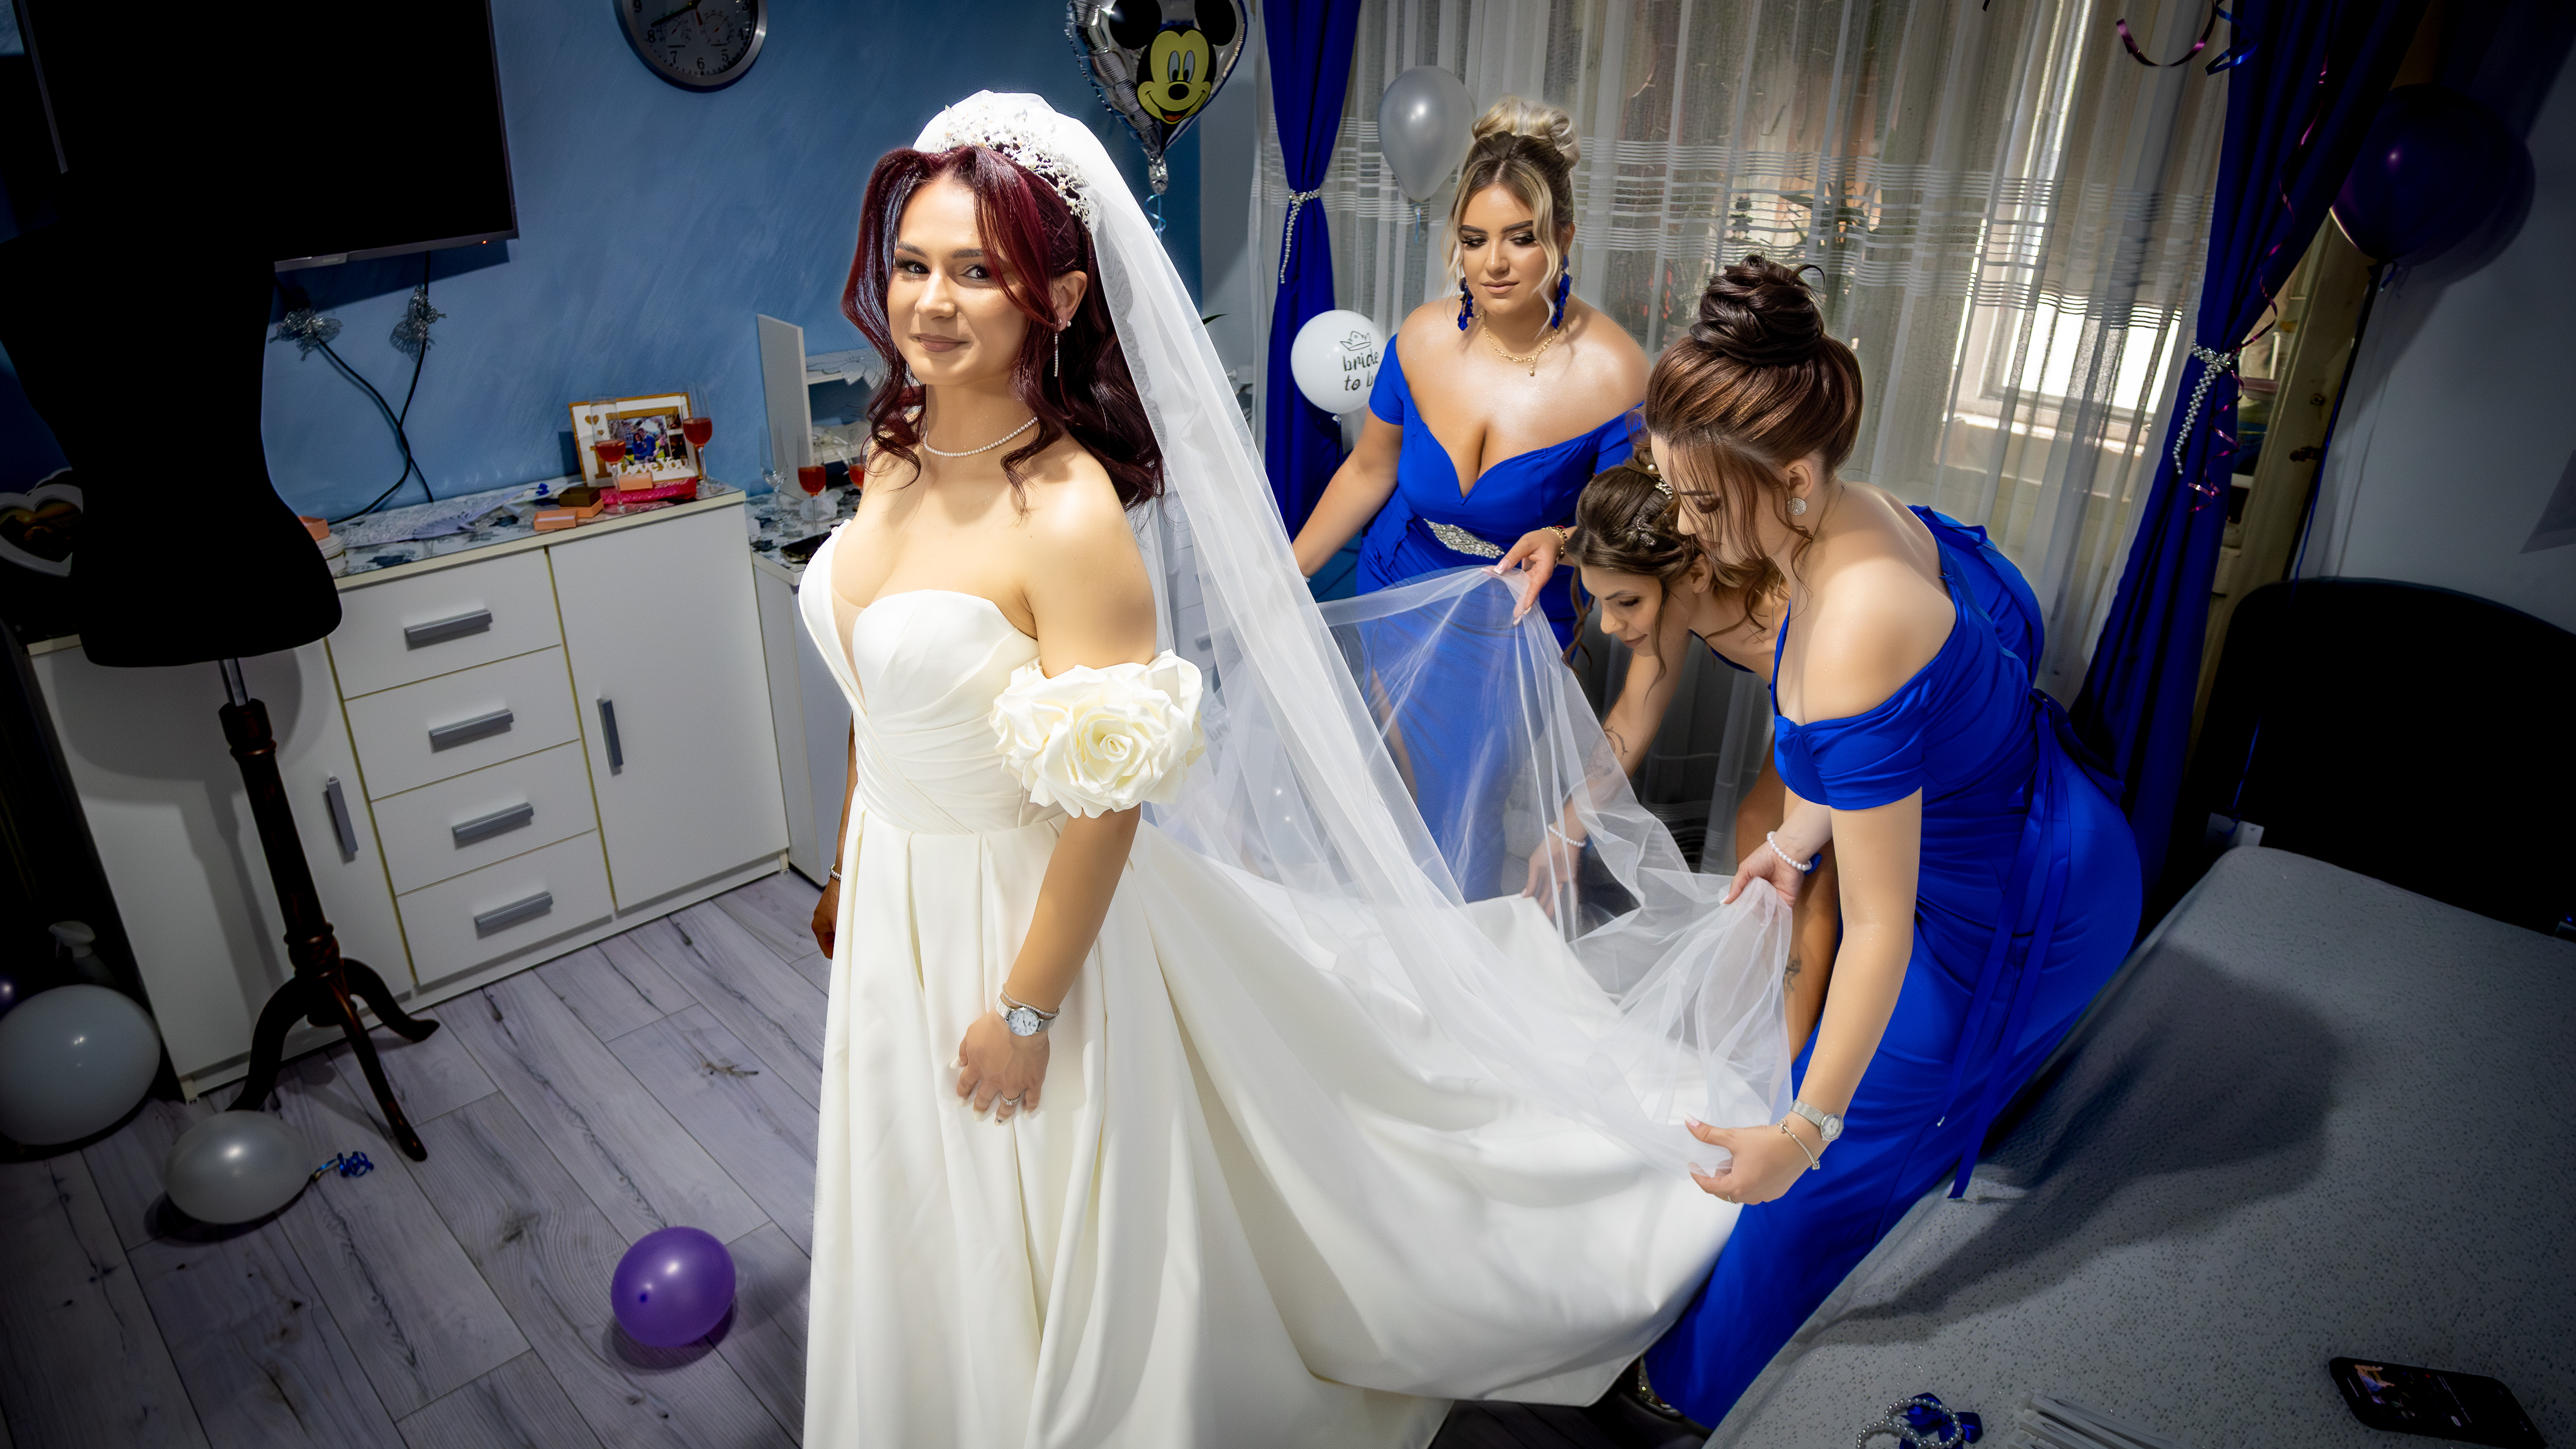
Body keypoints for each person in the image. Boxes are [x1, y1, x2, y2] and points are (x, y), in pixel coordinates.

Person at [796, 93, 1793, 1449]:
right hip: (901, 887)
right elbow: (879, 694)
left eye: (977, 269)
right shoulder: (887, 456)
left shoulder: (1072, 515)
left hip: (1049, 891)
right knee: (922, 1183)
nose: (930, 299)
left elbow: (1109, 800)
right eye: (913, 263)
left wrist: (1027, 1011)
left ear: (1059, 296)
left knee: (1414, 887)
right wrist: (849, 862)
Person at [1536, 256, 2138, 1428]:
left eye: (1704, 503)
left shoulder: (1854, 617)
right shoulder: (1853, 516)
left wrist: (1802, 1131)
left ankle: (1686, 1404)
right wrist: (1798, 838)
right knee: (1847, 1108)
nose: (1688, 528)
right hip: (2012, 830)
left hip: (2017, 906)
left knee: (1813, 1180)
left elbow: (1875, 931)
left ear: (1795, 478)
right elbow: (1899, 752)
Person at [1284, 99, 1642, 897]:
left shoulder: (1615, 372)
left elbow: (1627, 529)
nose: (1494, 264)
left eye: (1522, 238)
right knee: (1398, 790)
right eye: (1475, 240)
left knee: (1467, 802)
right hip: (1400, 582)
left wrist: (1564, 538)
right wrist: (1285, 574)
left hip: (1511, 618)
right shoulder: (1420, 338)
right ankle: (1395, 947)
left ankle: (1458, 954)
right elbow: (1369, 471)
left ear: (1565, 238)